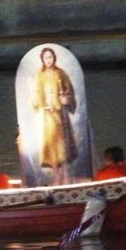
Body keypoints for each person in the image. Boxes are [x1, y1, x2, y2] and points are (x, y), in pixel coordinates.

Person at [30, 47, 78, 185]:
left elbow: (69, 91)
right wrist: (35, 100)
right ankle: (57, 175)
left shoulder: (61, 73)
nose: (48, 60)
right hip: (47, 116)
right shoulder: (40, 75)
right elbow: (37, 94)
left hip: (60, 115)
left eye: (50, 57)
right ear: (42, 59)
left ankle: (66, 174)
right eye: (46, 57)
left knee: (62, 145)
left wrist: (67, 99)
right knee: (51, 145)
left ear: (54, 58)